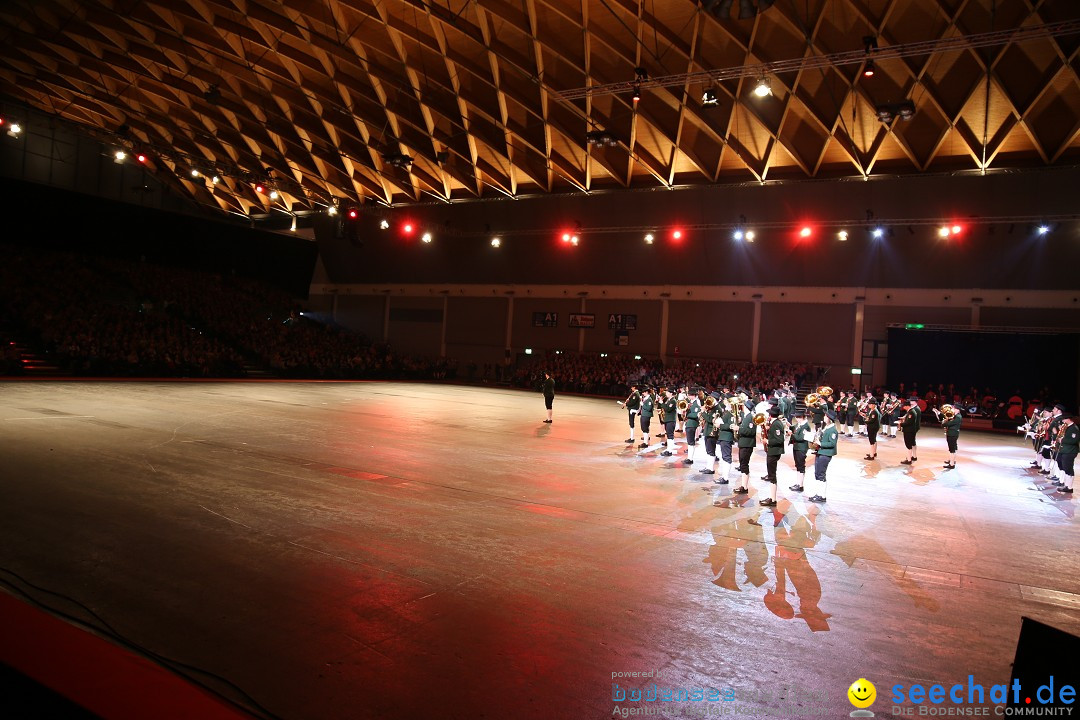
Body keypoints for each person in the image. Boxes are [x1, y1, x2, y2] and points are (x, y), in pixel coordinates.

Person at [808, 412, 838, 503]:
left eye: (826, 416)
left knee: (821, 474)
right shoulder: (826, 427)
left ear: (829, 418)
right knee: (817, 473)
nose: (824, 417)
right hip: (820, 452)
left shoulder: (833, 430)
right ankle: (818, 494)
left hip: (826, 454)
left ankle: (822, 495)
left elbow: (832, 443)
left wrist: (820, 443)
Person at [761, 407, 785, 506]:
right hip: (773, 451)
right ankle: (772, 497)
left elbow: (779, 439)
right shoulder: (775, 423)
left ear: (770, 415)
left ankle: (773, 499)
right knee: (771, 475)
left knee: (772, 475)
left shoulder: (776, 424)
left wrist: (768, 441)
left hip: (774, 452)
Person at [733, 404, 757, 495]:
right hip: (743, 443)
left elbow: (751, 431)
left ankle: (745, 486)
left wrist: (739, 429)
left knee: (744, 464)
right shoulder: (746, 416)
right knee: (742, 464)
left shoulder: (751, 417)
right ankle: (743, 485)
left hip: (747, 444)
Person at [788, 410, 811, 492]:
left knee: (801, 466)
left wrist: (791, 434)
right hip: (797, 447)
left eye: (798, 417)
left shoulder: (806, 426)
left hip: (801, 448)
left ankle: (800, 485)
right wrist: (789, 425)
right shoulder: (800, 424)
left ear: (802, 417)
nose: (796, 419)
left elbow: (801, 438)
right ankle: (798, 483)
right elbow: (795, 428)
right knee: (798, 465)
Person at [1055, 413, 1077, 495]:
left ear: (1068, 419)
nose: (1063, 421)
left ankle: (1069, 487)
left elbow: (1074, 440)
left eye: (1064, 419)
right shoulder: (1067, 427)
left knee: (1068, 468)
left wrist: (1062, 440)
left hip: (1070, 451)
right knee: (1064, 465)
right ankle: (1065, 484)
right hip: (1065, 450)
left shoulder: (1074, 428)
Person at [937, 405, 962, 469]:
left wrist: (943, 423)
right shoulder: (955, 415)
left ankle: (952, 464)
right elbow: (947, 418)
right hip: (952, 433)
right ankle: (952, 460)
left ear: (957, 409)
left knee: (952, 449)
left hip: (952, 434)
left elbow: (949, 423)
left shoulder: (958, 417)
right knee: (952, 448)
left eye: (953, 408)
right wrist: (940, 414)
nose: (952, 409)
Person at [898, 398, 921, 465]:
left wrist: (900, 424)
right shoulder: (911, 410)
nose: (903, 407)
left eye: (904, 406)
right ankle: (912, 456)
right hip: (911, 429)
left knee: (909, 444)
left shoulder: (913, 411)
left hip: (910, 430)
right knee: (912, 443)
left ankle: (909, 459)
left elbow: (910, 422)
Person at [659, 389, 679, 457]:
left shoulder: (673, 401)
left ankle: (669, 450)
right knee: (669, 435)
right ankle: (669, 449)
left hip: (671, 420)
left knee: (670, 435)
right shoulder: (669, 400)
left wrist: (662, 403)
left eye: (667, 392)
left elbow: (668, 409)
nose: (666, 393)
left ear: (671, 393)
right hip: (668, 419)